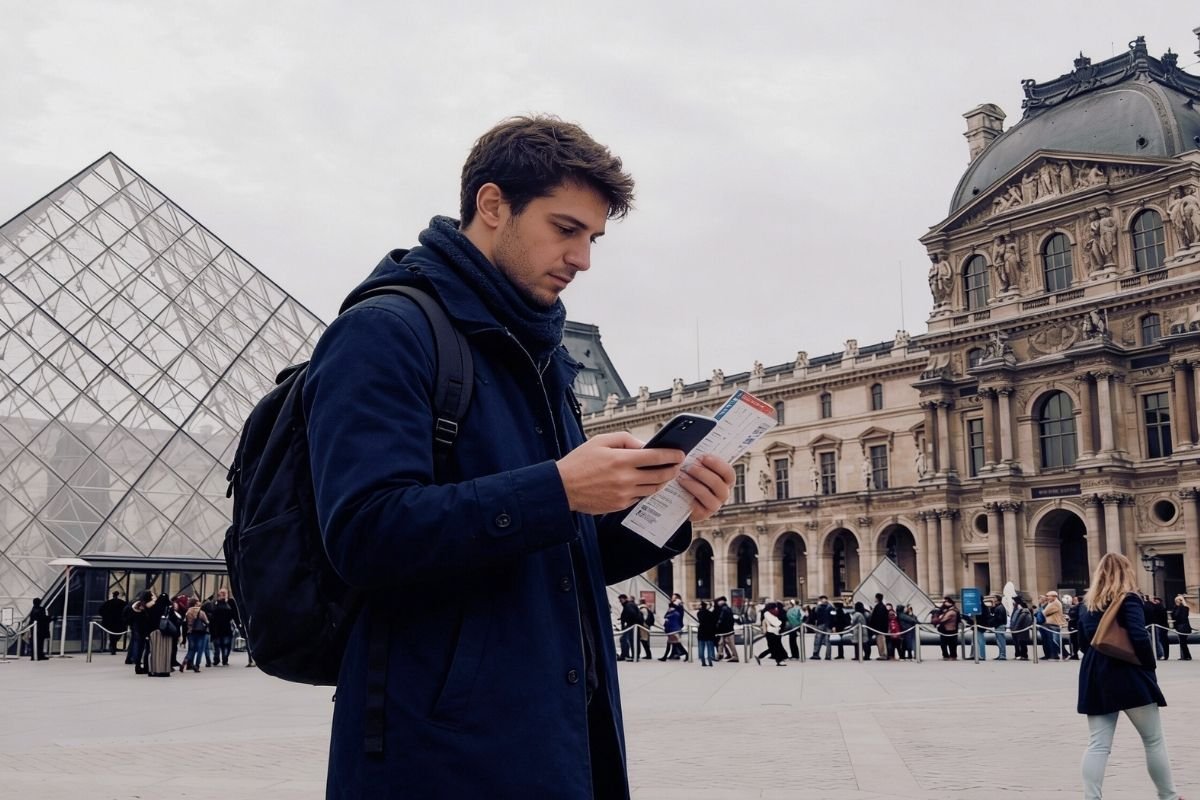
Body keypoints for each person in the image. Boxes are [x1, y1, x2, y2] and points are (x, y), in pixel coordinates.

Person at [303, 116, 733, 799]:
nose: (582, 259)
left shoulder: (539, 355)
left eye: (592, 239)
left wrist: (669, 510)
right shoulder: (384, 333)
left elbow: (562, 556)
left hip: (558, 736)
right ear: (493, 205)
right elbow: (363, 533)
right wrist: (558, 489)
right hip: (440, 757)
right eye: (565, 229)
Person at [1077, 554, 1181, 800]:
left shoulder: (1087, 603)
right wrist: (1149, 667)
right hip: (1128, 672)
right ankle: (1168, 796)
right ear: (1127, 572)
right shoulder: (1129, 599)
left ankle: (1091, 797)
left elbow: (1082, 642)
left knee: (1098, 744)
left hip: (1094, 672)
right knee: (1153, 740)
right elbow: (1139, 636)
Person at [208, 588, 236, 667]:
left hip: (220, 628)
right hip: (222, 628)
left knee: (220, 645)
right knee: (222, 646)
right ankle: (222, 660)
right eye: (222, 593)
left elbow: (212, 618)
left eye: (224, 593)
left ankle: (220, 659)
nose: (223, 595)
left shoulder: (216, 605)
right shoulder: (226, 605)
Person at [183, 598, 209, 673]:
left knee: (191, 649)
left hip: (190, 632)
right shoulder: (201, 612)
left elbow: (185, 623)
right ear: (195, 603)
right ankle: (197, 665)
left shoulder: (188, 612)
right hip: (200, 632)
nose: (200, 603)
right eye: (198, 602)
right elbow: (207, 622)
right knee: (200, 649)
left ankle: (186, 660)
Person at [98, 591, 126, 655]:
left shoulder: (107, 603)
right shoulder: (122, 603)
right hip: (119, 622)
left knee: (112, 635)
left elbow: (100, 611)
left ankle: (113, 647)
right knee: (116, 635)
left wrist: (106, 617)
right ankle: (113, 647)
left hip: (110, 622)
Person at [934, 596, 959, 660]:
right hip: (946, 629)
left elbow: (943, 619)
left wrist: (939, 618)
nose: (944, 603)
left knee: (950, 643)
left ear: (950, 602)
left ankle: (952, 656)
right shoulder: (945, 609)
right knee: (945, 643)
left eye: (945, 601)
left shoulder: (952, 611)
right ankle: (947, 655)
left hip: (950, 629)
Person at [714, 597, 738, 662]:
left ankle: (735, 656)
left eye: (719, 601)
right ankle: (719, 655)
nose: (717, 603)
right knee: (721, 643)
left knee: (729, 643)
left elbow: (721, 619)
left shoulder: (724, 609)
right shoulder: (726, 608)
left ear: (722, 601)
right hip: (726, 630)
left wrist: (717, 626)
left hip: (726, 630)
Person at [616, 594, 639, 661]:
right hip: (633, 625)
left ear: (625, 599)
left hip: (631, 625)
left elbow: (632, 614)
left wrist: (627, 621)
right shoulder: (629, 605)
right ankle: (631, 655)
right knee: (631, 640)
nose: (620, 602)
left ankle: (625, 655)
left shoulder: (628, 605)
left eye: (621, 600)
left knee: (625, 639)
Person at [1043, 591, 1065, 660]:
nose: (1047, 598)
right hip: (1052, 624)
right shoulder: (1052, 603)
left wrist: (1046, 606)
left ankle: (1065, 654)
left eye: (1048, 596)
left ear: (1054, 596)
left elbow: (1045, 612)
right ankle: (1056, 655)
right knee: (1053, 641)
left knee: (1056, 640)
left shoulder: (1055, 603)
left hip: (1054, 624)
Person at [1010, 595, 1033, 661]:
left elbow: (1019, 621)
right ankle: (1018, 654)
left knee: (1022, 642)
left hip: (1021, 629)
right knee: (1018, 642)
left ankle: (1023, 655)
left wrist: (1014, 628)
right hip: (1018, 629)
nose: (1013, 602)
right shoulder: (1017, 609)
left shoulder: (1023, 610)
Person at [810, 595, 832, 660]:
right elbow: (833, 617)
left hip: (821, 624)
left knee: (818, 640)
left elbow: (814, 617)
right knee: (827, 640)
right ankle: (828, 656)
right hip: (828, 625)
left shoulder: (817, 608)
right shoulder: (830, 607)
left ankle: (816, 654)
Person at [868, 593, 889, 660]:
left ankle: (883, 655)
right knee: (881, 641)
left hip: (879, 629)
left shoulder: (878, 607)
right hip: (881, 628)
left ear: (877, 598)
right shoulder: (883, 606)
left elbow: (877, 619)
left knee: (880, 642)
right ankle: (883, 654)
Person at [696, 601, 717, 667]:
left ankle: (703, 661)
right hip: (709, 632)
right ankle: (710, 661)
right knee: (709, 647)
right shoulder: (710, 613)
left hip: (701, 631)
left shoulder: (699, 613)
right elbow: (713, 623)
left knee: (701, 647)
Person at [1172, 596, 1193, 661]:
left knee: (1183, 642)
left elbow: (1180, 616)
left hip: (1183, 627)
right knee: (1182, 642)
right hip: (1179, 626)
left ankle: (1187, 656)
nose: (1177, 602)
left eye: (1178, 600)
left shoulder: (1184, 608)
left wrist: (1180, 605)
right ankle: (1184, 655)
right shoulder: (1176, 608)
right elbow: (1174, 616)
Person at [989, 595, 1008, 661]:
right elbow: (992, 612)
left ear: (997, 600)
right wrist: (993, 606)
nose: (993, 600)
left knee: (1001, 641)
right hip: (999, 625)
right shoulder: (999, 607)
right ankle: (1001, 654)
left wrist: (994, 621)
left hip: (999, 626)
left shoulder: (1000, 608)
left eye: (994, 599)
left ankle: (1002, 655)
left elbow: (999, 618)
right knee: (999, 641)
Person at [1067, 595, 1082, 661]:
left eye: (1075, 600)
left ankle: (1076, 654)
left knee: (1076, 641)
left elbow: (1076, 616)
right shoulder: (1073, 607)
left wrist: (1071, 618)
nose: (1073, 601)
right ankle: (1074, 654)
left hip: (1075, 626)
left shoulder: (1079, 607)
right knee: (1073, 641)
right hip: (1072, 626)